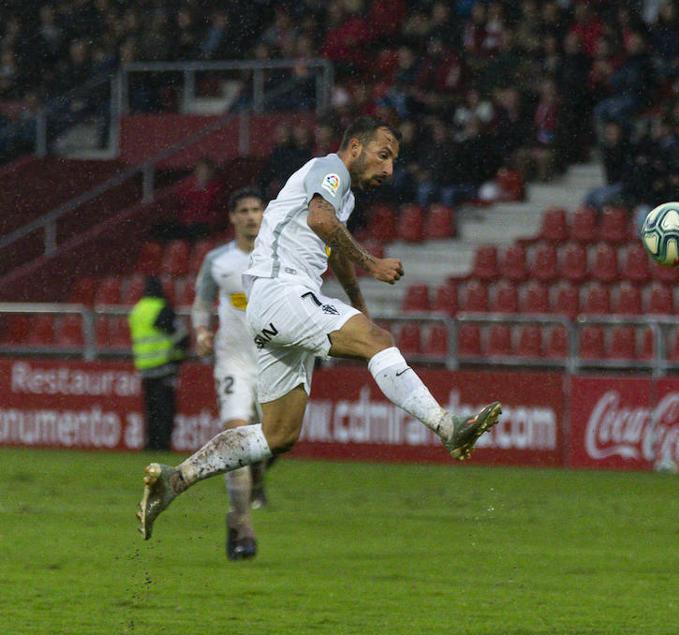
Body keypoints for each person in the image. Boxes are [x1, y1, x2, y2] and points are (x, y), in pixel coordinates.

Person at [136, 117, 503, 540]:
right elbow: (321, 221)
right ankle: (447, 427)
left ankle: (177, 479)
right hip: (282, 291)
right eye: (383, 156)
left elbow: (333, 244)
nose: (388, 170)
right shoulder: (329, 169)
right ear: (355, 148)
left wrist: (359, 303)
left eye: (393, 162)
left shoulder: (342, 196)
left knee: (278, 435)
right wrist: (374, 264)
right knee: (378, 342)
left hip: (273, 306)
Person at [191, 187, 271, 561]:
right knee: (237, 440)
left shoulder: (280, 256)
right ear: (233, 217)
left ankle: (256, 481)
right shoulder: (218, 261)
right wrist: (201, 332)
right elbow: (201, 303)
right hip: (233, 362)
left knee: (270, 445)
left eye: (257, 209)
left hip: (274, 363)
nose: (252, 216)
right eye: (244, 210)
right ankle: (242, 526)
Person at [129, 276, 186, 452]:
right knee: (165, 409)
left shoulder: (137, 309)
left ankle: (150, 443)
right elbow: (181, 336)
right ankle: (162, 444)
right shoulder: (162, 308)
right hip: (163, 366)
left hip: (144, 367)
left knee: (151, 409)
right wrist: (179, 356)